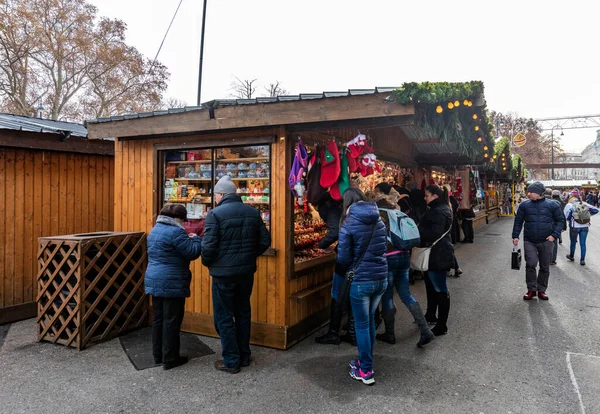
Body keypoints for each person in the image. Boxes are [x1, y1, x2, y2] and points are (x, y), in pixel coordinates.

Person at [202, 176, 271, 373]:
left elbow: (208, 247)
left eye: (215, 194)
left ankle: (231, 360)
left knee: (223, 316)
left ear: (221, 194)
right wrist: (249, 256)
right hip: (246, 272)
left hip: (223, 274)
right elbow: (265, 240)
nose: (214, 198)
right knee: (242, 313)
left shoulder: (215, 214)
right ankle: (244, 355)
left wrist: (211, 263)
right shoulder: (251, 212)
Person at [371, 190, 435, 348]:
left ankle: (390, 333)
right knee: (405, 293)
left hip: (388, 258)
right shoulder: (396, 211)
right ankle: (425, 330)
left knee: (387, 296)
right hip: (404, 256)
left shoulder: (377, 214)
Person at [337, 188, 387, 385]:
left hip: (361, 281)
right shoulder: (379, 219)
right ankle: (365, 361)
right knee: (370, 323)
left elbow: (342, 258)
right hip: (380, 278)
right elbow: (382, 247)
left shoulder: (348, 224)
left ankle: (366, 370)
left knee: (362, 325)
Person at [145, 203, 202, 370]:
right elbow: (192, 252)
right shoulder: (176, 232)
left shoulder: (155, 229)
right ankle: (170, 358)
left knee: (158, 319)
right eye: (183, 220)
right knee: (172, 320)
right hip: (172, 281)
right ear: (177, 218)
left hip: (154, 278)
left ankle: (158, 355)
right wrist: (196, 238)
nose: (184, 223)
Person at [511, 182, 563, 300]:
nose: (528, 194)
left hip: (546, 241)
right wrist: (515, 236)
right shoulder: (524, 206)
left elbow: (560, 221)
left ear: (539, 192)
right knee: (531, 264)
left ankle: (541, 290)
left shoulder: (552, 205)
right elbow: (518, 221)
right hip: (529, 240)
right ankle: (531, 289)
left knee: (545, 266)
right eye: (528, 191)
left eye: (531, 192)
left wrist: (554, 235)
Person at [314, 195, 352, 346]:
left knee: (337, 295)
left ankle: (333, 332)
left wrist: (320, 245)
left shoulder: (332, 210)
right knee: (352, 296)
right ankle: (352, 332)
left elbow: (335, 231)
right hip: (358, 263)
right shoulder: (366, 216)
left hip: (345, 262)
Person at [420, 185, 455, 336]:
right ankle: (431, 314)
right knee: (431, 286)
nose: (425, 198)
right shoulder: (438, 209)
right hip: (435, 253)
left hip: (438, 254)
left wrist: (419, 231)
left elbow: (435, 233)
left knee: (440, 288)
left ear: (434, 196)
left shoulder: (439, 211)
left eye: (426, 195)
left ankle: (442, 325)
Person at [564, 188, 599, 266]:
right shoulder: (584, 203)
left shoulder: (570, 205)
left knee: (573, 242)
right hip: (585, 226)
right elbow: (596, 210)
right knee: (583, 243)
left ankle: (571, 256)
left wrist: (572, 218)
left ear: (571, 196)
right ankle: (582, 260)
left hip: (574, 226)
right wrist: (588, 216)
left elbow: (567, 216)